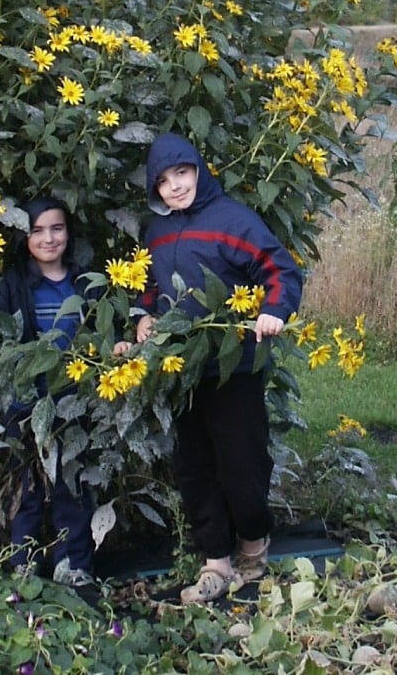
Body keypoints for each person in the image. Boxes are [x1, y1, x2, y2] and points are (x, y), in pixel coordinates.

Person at [129, 132, 303, 604]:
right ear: (155, 190)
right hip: (183, 369)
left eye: (182, 173)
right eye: (163, 181)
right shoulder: (157, 232)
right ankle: (216, 563)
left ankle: (253, 548)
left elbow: (279, 270)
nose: (175, 187)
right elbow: (147, 287)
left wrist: (274, 310)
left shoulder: (233, 220)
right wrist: (143, 317)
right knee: (195, 466)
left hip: (234, 366)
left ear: (199, 170)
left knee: (241, 463)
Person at [0, 196, 95, 588]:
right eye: (37, 231)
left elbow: (101, 335)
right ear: (23, 237)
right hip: (25, 403)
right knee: (28, 486)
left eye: (57, 228)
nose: (49, 238)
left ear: (69, 232)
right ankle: (25, 563)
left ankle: (74, 563)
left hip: (72, 400)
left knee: (73, 484)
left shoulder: (84, 283)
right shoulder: (13, 286)